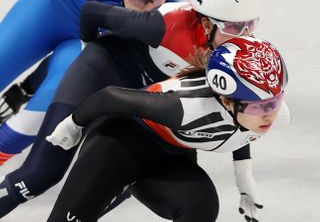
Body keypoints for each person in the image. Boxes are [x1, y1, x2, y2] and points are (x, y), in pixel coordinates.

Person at [0, 0, 261, 218]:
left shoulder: (237, 49)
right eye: (237, 27)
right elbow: (92, 12)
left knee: (118, 174)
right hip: (100, 72)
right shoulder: (162, 24)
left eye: (251, 24)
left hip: (138, 94)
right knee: (40, 175)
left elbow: (238, 108)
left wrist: (244, 175)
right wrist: (87, 50)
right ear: (206, 24)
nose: (246, 35)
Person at [46, 36, 288, 222]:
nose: (269, 114)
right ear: (226, 100)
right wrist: (73, 124)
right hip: (119, 142)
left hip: (172, 156)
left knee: (199, 208)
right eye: (258, 107)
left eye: (275, 101)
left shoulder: (264, 113)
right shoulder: (186, 108)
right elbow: (111, 97)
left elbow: (241, 132)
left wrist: (244, 180)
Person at [0, 0, 186, 165]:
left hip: (104, 31)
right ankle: (28, 88)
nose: (148, 1)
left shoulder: (169, 8)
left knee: (37, 117)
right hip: (58, 3)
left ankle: (28, 89)